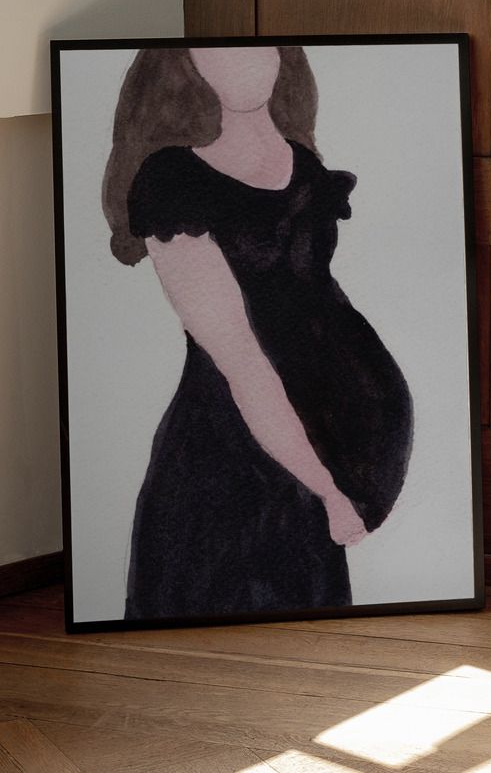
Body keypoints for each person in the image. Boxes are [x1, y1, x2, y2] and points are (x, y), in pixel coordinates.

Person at [102, 44, 414, 620]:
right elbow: (239, 359)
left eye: (254, 50)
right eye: (218, 53)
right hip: (232, 467)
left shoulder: (303, 163)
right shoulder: (173, 181)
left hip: (312, 461)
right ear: (185, 66)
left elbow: (318, 306)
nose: (243, 63)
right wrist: (328, 488)